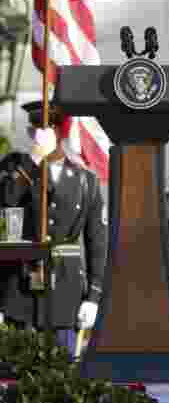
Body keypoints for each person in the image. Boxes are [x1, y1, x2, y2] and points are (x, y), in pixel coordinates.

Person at [0, 101, 107, 355]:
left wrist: (94, 296)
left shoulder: (86, 181)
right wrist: (35, 157)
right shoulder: (16, 168)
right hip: (20, 289)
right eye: (37, 127)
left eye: (52, 127)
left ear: (64, 131)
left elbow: (97, 243)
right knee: (16, 372)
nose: (44, 133)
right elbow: (7, 199)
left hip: (65, 290)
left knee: (61, 374)